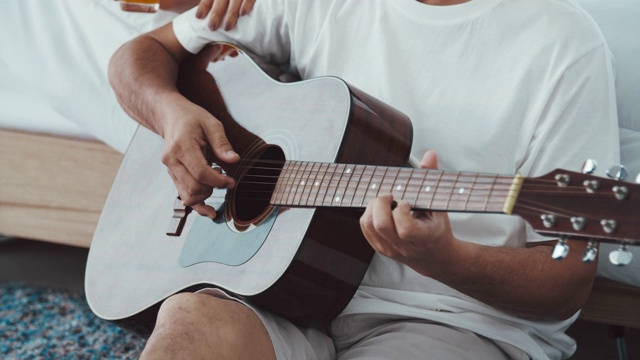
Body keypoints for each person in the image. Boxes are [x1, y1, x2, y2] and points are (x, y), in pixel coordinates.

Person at [107, 0, 620, 358]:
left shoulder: (564, 43)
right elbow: (138, 57)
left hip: (448, 320)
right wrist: (171, 114)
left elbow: (568, 279)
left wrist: (446, 259)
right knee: (187, 330)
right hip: (278, 290)